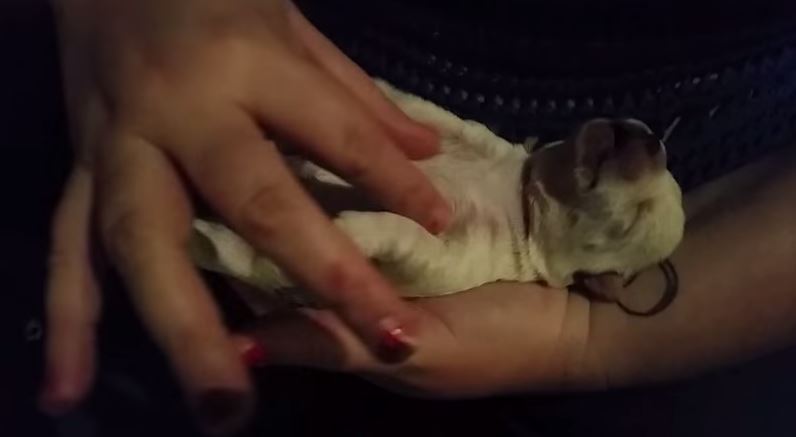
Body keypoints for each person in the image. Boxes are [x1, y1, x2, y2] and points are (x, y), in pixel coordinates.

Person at [40, 0, 796, 434]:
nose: (636, 158)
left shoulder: (579, 264)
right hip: (211, 54)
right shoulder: (528, 165)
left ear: (606, 275)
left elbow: (403, 245)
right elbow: (431, 135)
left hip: (722, 269)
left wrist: (593, 344)